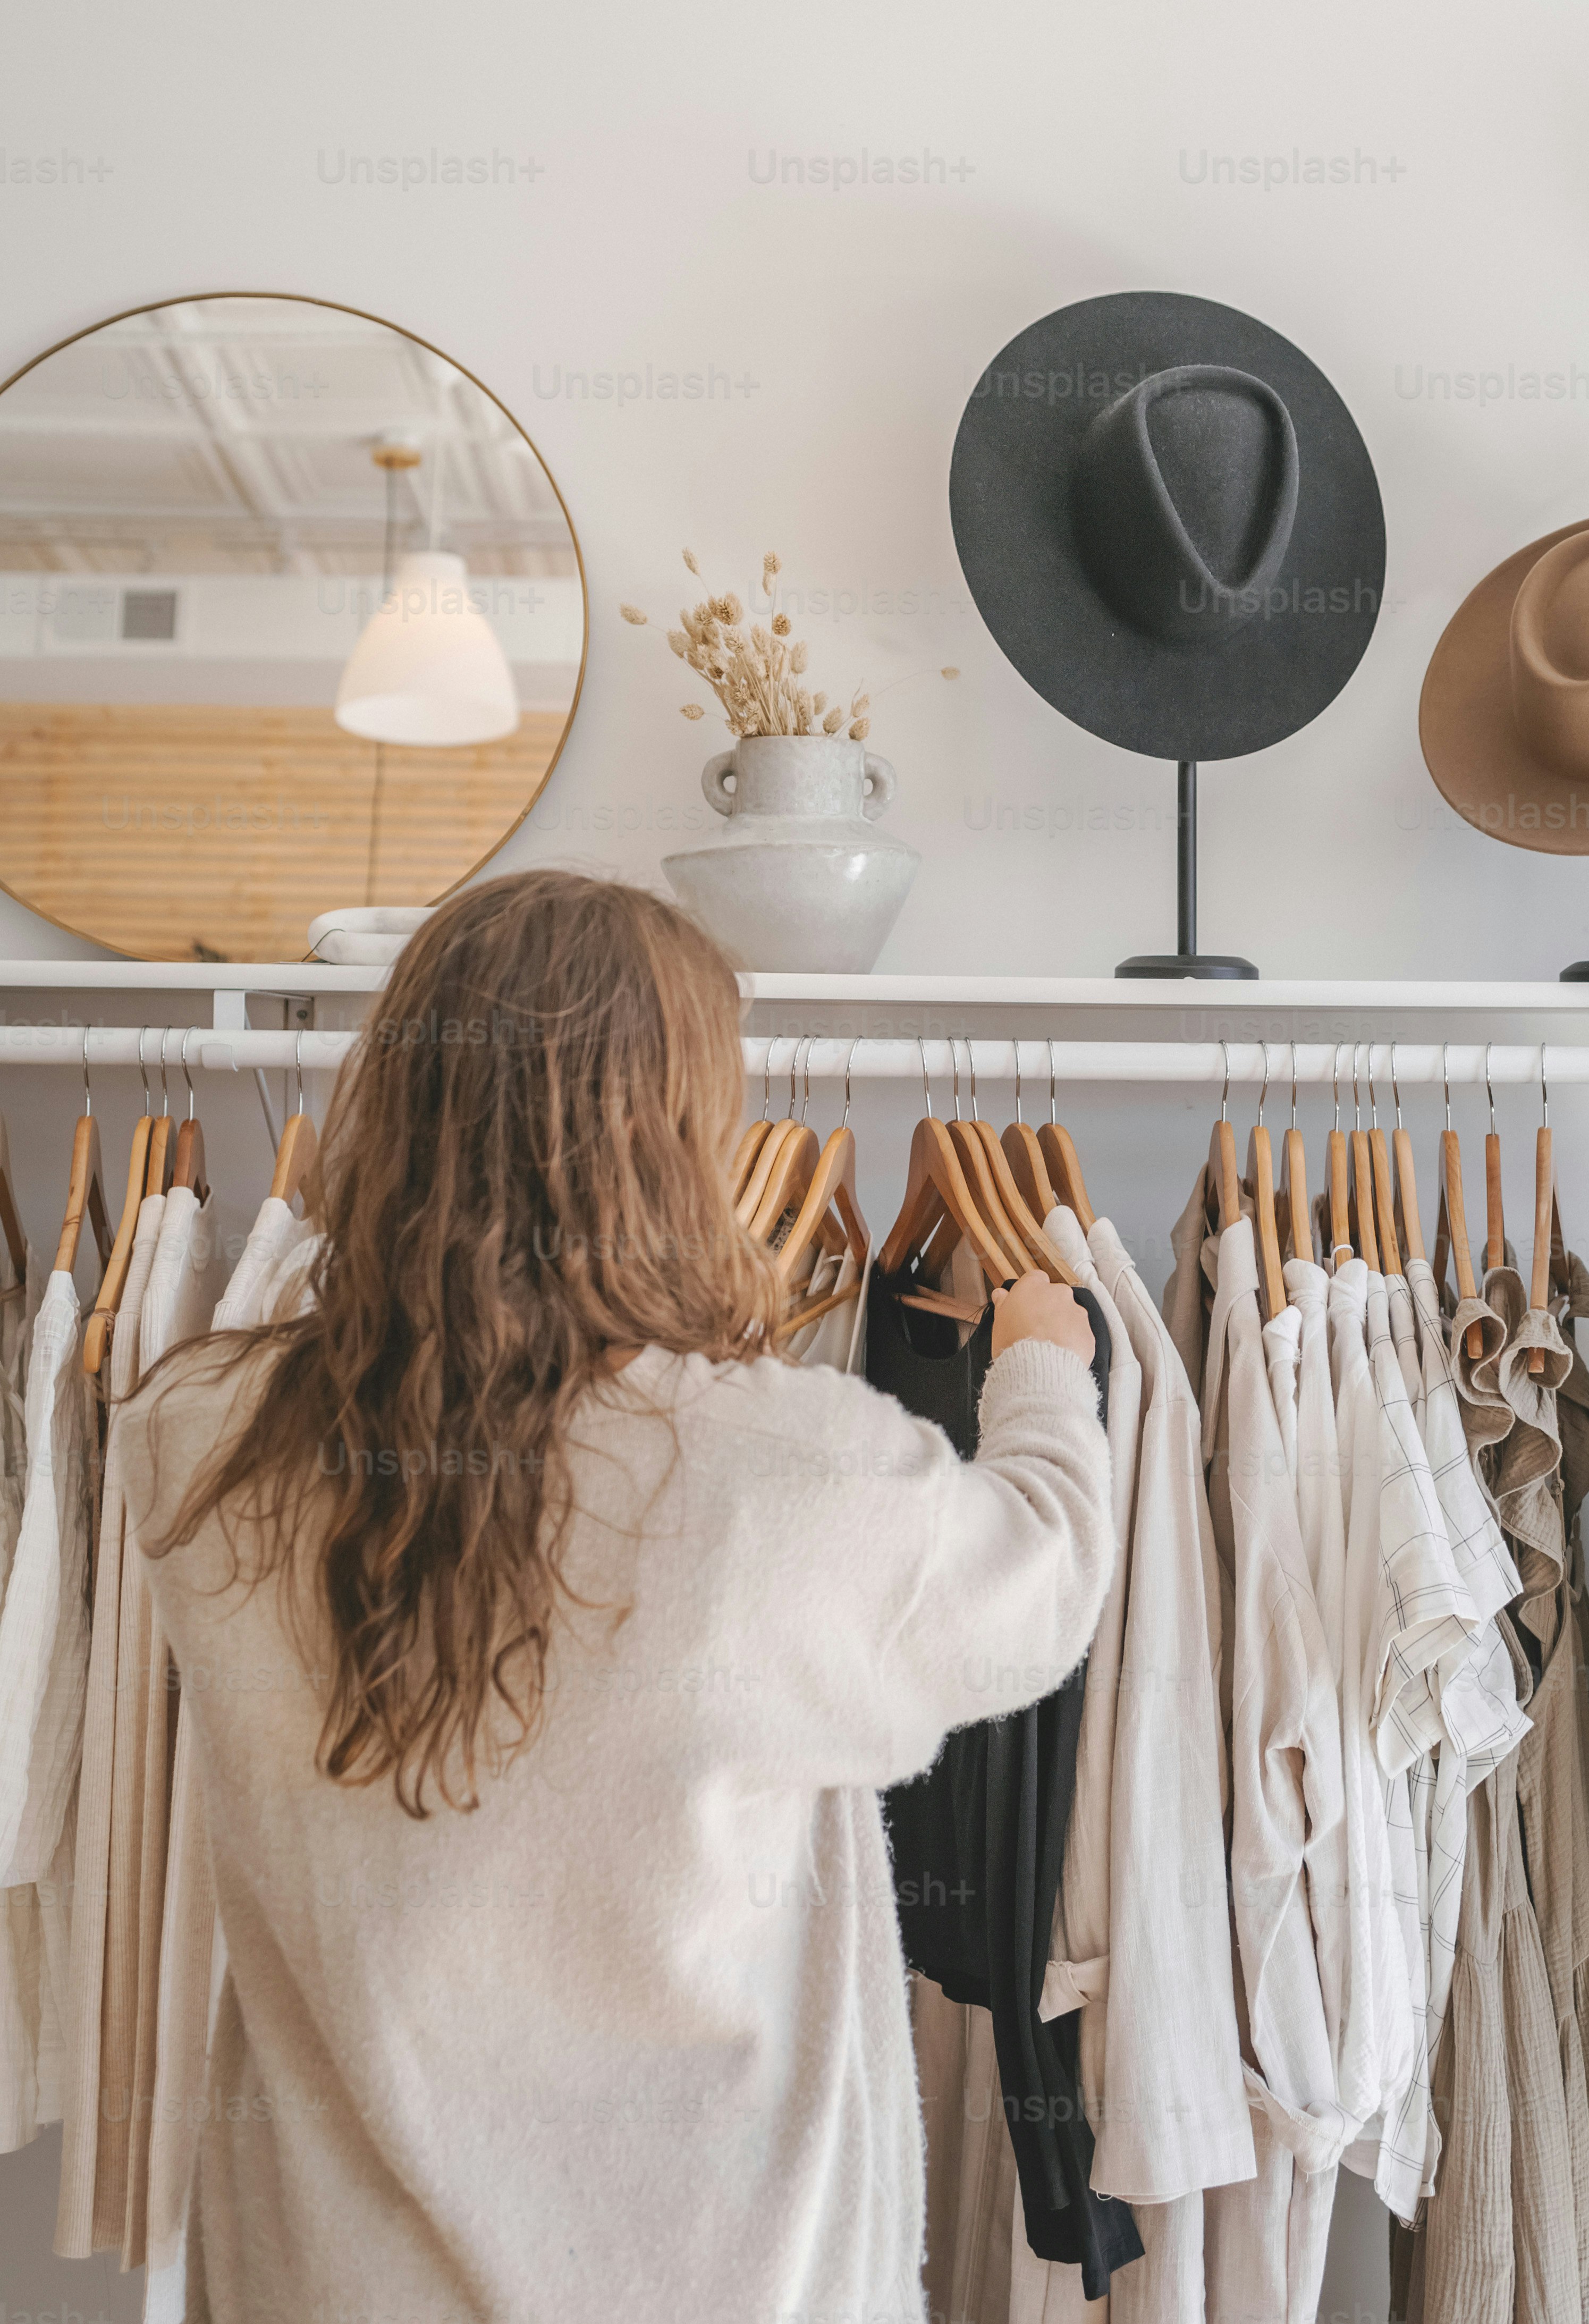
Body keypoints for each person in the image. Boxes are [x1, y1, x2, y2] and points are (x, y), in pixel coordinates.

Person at [120, 871, 1110, 2324]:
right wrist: (1040, 1363)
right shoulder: (778, 1478)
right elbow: (1048, 1575)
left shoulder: (199, 1443)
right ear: (665, 1149)